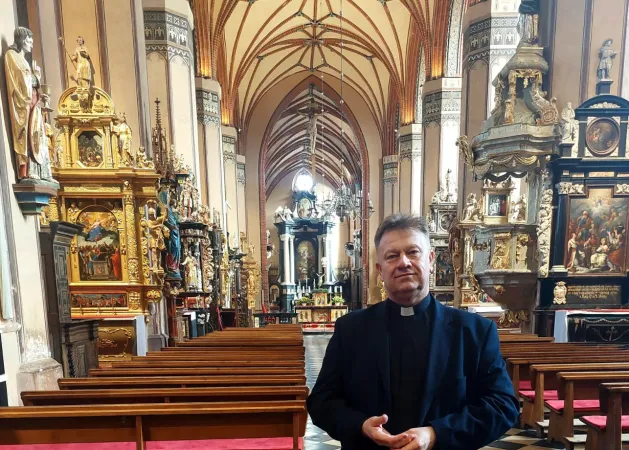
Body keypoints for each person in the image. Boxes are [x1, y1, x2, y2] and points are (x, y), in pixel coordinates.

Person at [307, 214, 519, 450]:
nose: (403, 262)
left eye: (413, 252)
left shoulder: (474, 331)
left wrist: (435, 434)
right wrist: (361, 425)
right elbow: (321, 402)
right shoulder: (350, 330)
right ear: (379, 269)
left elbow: (502, 405)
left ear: (430, 259)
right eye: (392, 256)